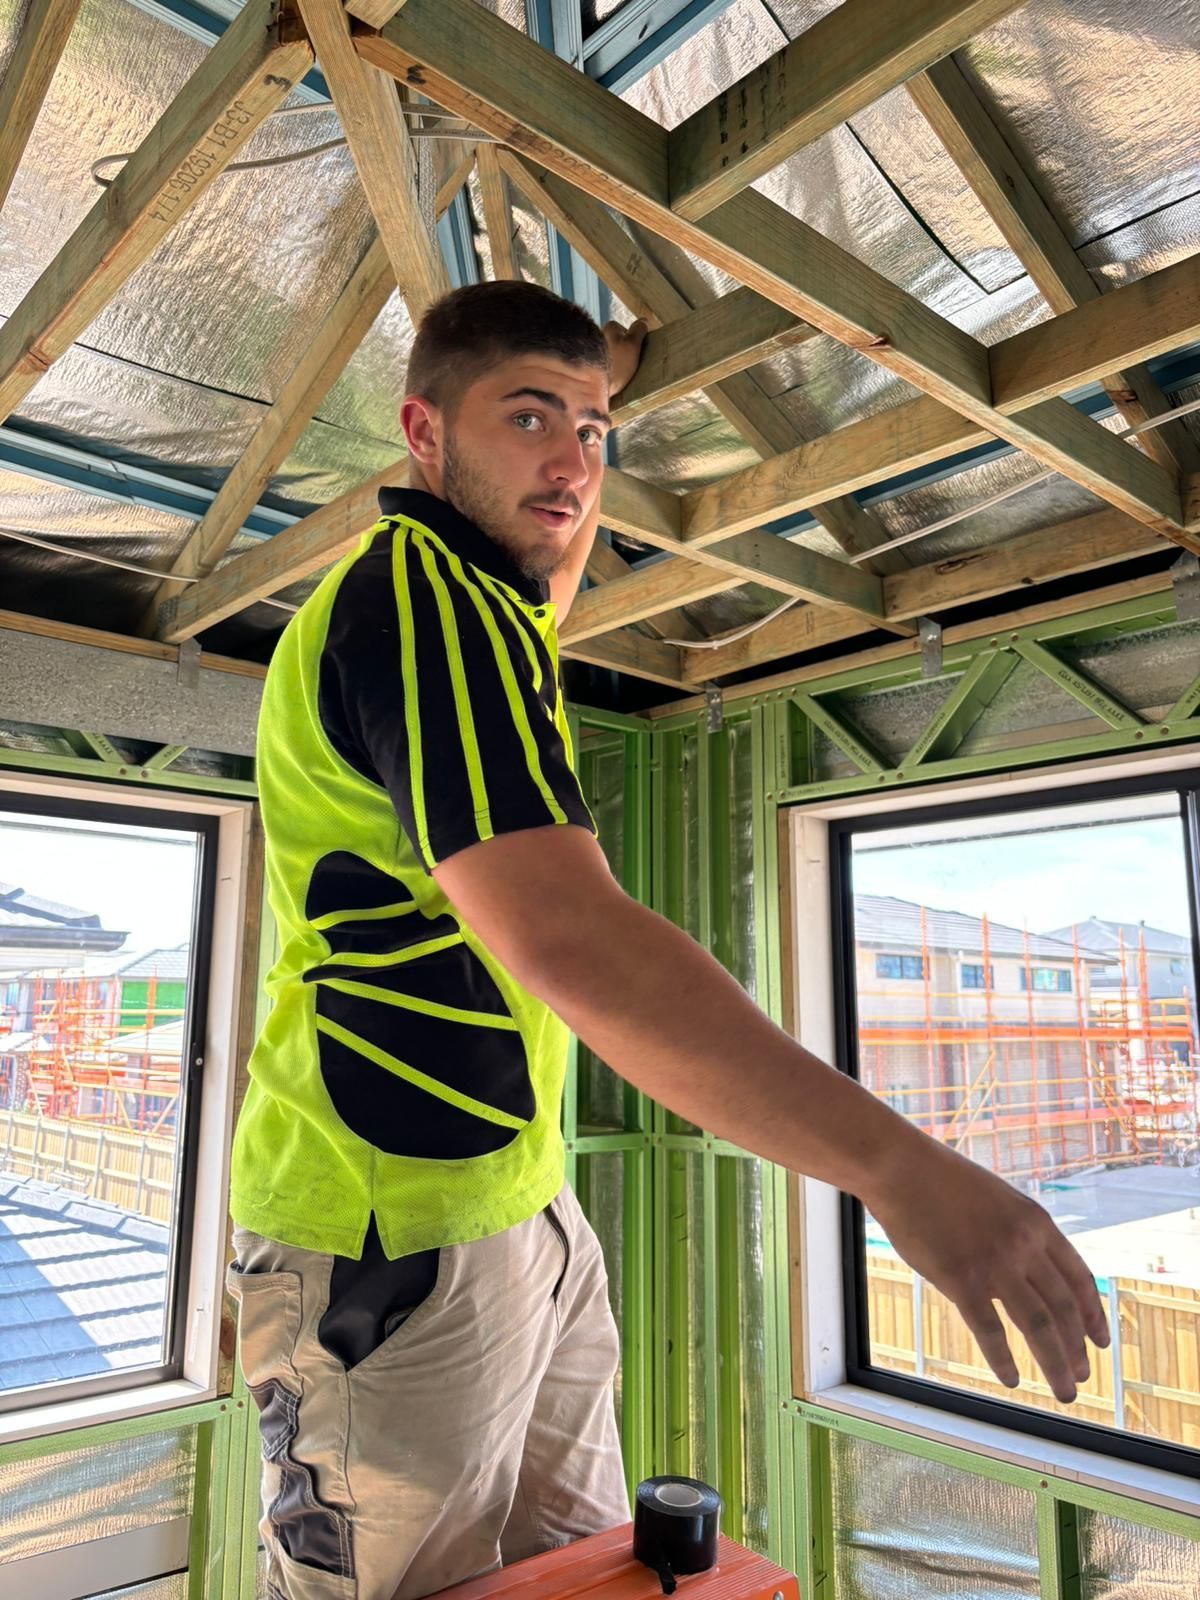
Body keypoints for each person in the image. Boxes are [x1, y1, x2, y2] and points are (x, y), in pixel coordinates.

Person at [226, 280, 1109, 1600]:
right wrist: (894, 1167)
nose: (575, 461)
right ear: (421, 433)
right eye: (529, 418)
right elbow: (571, 938)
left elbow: (558, 568)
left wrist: (598, 382)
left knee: (597, 1576)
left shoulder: (496, 605)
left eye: (594, 431)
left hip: (517, 1203)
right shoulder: (414, 608)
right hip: (383, 1234)